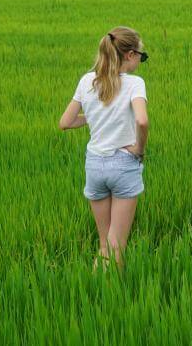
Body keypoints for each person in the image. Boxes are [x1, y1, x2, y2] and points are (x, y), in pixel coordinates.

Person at [58, 26, 150, 267]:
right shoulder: (134, 84)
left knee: (104, 244)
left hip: (95, 166)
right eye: (142, 55)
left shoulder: (87, 80)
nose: (141, 60)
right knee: (117, 245)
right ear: (130, 55)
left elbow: (65, 122)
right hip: (123, 165)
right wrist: (139, 149)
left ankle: (95, 292)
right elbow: (142, 120)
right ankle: (113, 296)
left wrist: (96, 116)